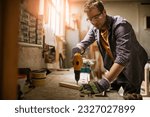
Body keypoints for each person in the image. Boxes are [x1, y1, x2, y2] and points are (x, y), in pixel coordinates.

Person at [72, 0, 148, 99]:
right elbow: (84, 43)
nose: (94, 21)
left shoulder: (121, 26)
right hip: (116, 66)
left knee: (131, 96)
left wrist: (104, 82)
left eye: (96, 17)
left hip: (132, 65)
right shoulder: (95, 28)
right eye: (90, 19)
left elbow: (123, 58)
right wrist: (77, 49)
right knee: (111, 93)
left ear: (104, 12)